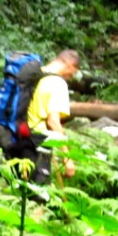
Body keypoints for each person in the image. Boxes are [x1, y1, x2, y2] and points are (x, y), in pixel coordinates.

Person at [13, 49, 80, 185]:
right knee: (39, 194)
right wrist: (67, 159)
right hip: (38, 141)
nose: (71, 76)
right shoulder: (57, 83)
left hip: (18, 134)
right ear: (70, 64)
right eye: (73, 72)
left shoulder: (34, 75)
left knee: (21, 188)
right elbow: (53, 121)